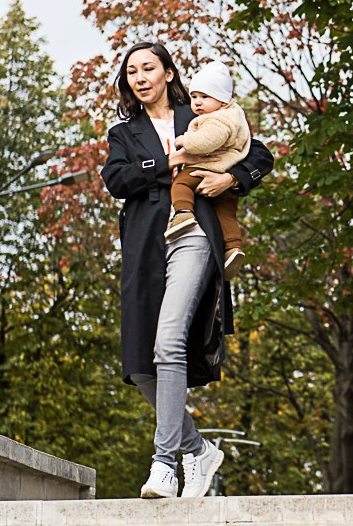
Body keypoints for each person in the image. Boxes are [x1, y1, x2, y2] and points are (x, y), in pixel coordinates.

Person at [100, 42, 273, 498]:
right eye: (131, 71)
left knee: (169, 337)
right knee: (141, 365)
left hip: (194, 232)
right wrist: (166, 162)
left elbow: (258, 154)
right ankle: (197, 449)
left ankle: (164, 464)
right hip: (142, 248)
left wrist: (233, 179)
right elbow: (116, 179)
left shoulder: (199, 113)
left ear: (169, 73)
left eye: (149, 68)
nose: (140, 77)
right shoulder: (124, 133)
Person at [165, 60, 250, 282]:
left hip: (208, 167)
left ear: (222, 99)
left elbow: (205, 142)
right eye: (194, 97)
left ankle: (183, 214)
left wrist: (185, 140)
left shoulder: (218, 120)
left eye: (205, 97)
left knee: (181, 184)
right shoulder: (233, 115)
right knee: (226, 212)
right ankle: (233, 248)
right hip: (227, 171)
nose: (198, 103)